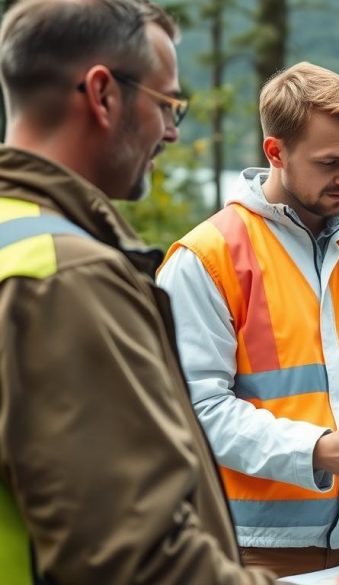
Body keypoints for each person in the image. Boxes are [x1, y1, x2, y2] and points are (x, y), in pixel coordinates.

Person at [0, 0, 287, 582]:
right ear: (104, 94)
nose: (174, 131)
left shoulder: (14, 239)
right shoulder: (66, 281)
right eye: (167, 104)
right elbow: (134, 558)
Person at [156, 62, 339, 577]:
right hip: (247, 551)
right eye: (330, 162)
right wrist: (317, 451)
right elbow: (194, 409)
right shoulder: (207, 258)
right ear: (275, 152)